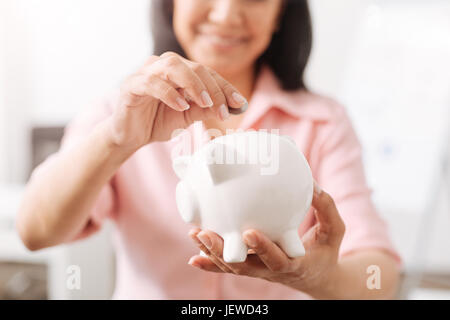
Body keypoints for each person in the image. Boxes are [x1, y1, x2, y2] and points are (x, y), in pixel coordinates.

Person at [16, 0, 402, 299]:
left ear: (281, 12)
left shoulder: (321, 122)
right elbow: (35, 232)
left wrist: (318, 277)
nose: (225, 14)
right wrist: (115, 140)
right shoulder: (116, 114)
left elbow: (379, 279)